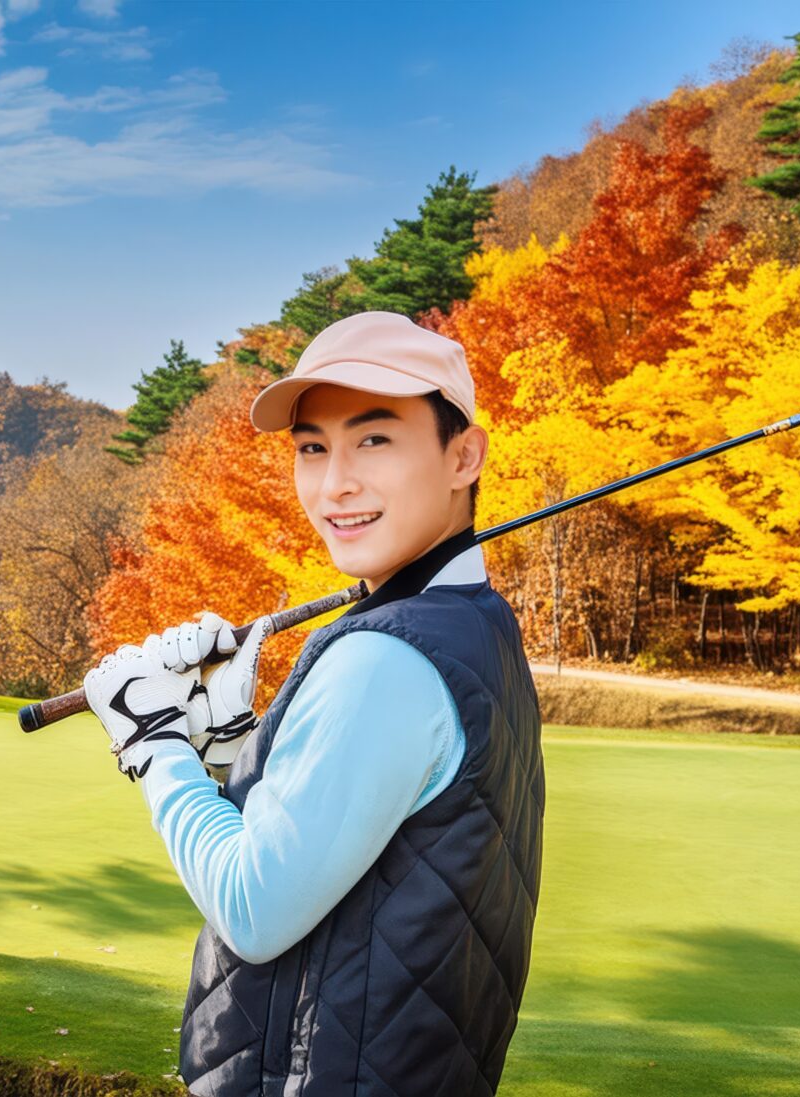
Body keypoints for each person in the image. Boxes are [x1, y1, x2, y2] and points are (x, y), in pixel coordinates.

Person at [81, 310, 545, 1097]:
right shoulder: (475, 622)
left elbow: (253, 908)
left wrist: (153, 743)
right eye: (312, 448)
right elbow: (370, 844)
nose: (335, 485)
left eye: (375, 439)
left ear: (464, 454)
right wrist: (233, 748)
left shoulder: (384, 658)